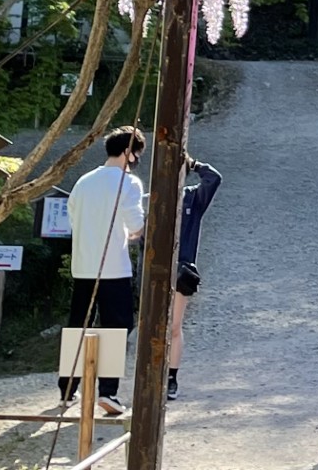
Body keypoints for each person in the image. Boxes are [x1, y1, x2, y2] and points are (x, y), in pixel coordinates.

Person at [58, 126, 145, 415]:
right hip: (114, 268)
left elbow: (73, 219)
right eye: (136, 154)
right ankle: (108, 392)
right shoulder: (128, 182)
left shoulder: (84, 181)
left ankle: (67, 389)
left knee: (78, 325)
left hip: (83, 266)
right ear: (127, 152)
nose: (135, 160)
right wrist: (134, 233)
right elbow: (135, 223)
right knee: (116, 328)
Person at [166, 156, 222, 401]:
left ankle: (171, 377)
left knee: (174, 325)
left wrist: (194, 164)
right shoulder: (151, 199)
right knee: (154, 327)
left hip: (181, 270)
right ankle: (153, 373)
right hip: (154, 271)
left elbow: (214, 179)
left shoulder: (192, 197)